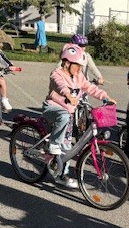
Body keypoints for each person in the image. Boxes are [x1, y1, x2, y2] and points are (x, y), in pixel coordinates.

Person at [42, 44, 115, 188]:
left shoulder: (78, 76)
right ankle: (53, 144)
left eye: (81, 67)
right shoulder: (57, 73)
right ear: (67, 63)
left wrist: (105, 97)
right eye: (77, 66)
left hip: (69, 113)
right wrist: (68, 95)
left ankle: (62, 174)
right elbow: (59, 85)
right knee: (63, 120)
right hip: (53, 108)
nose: (80, 69)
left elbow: (90, 87)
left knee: (67, 145)